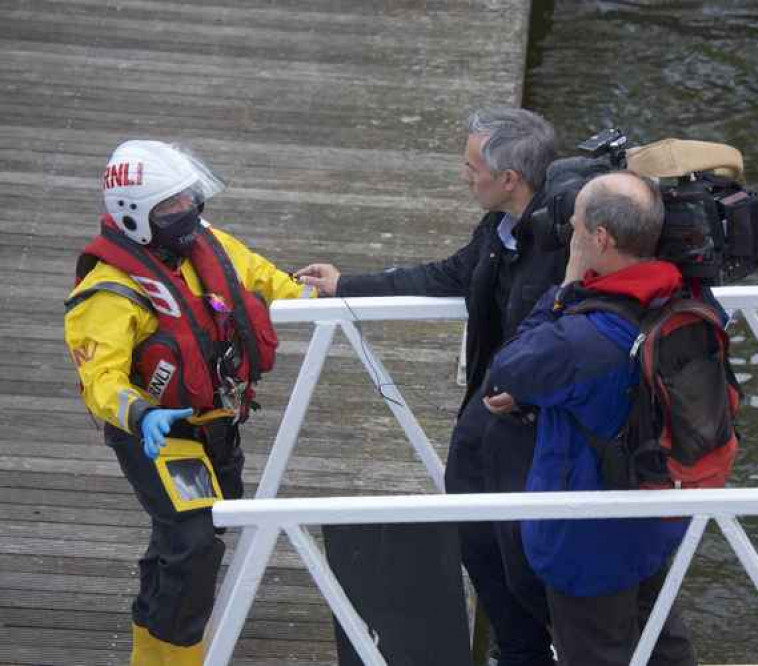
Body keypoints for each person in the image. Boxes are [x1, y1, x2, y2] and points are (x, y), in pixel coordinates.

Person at [296, 107, 565, 666]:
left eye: (472, 167)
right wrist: (348, 284)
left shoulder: (564, 248)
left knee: (527, 563)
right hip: (483, 427)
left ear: (509, 179)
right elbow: (450, 274)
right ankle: (519, 653)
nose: (464, 175)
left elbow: (578, 334)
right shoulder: (499, 228)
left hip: (536, 437)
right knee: (480, 549)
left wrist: (529, 388)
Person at [64, 140, 313, 665]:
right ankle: (177, 657)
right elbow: (100, 378)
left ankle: (149, 648)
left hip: (217, 423)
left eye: (190, 200)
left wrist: (327, 298)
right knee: (193, 542)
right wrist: (141, 412)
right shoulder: (109, 291)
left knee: (187, 538)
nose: (190, 214)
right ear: (136, 216)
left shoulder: (211, 247)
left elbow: (269, 282)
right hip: (159, 435)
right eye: (173, 207)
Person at [484, 171, 698, 666]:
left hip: (588, 540)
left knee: (595, 651)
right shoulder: (683, 297)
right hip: (656, 512)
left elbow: (509, 368)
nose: (569, 236)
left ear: (600, 238)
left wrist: (565, 286)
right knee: (661, 641)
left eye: (576, 226)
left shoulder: (585, 336)